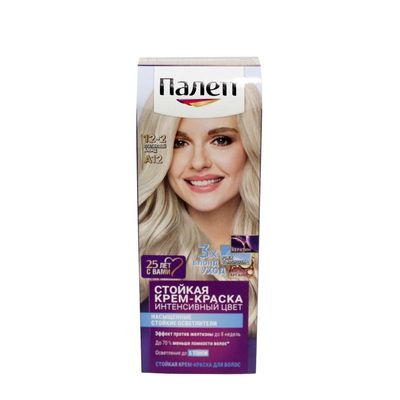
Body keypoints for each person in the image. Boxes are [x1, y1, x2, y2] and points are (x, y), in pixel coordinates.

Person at [138, 84, 261, 335]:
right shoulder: (143, 254)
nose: (198, 162)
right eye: (179, 143)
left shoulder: (250, 246)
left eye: (221, 140)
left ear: (252, 146)